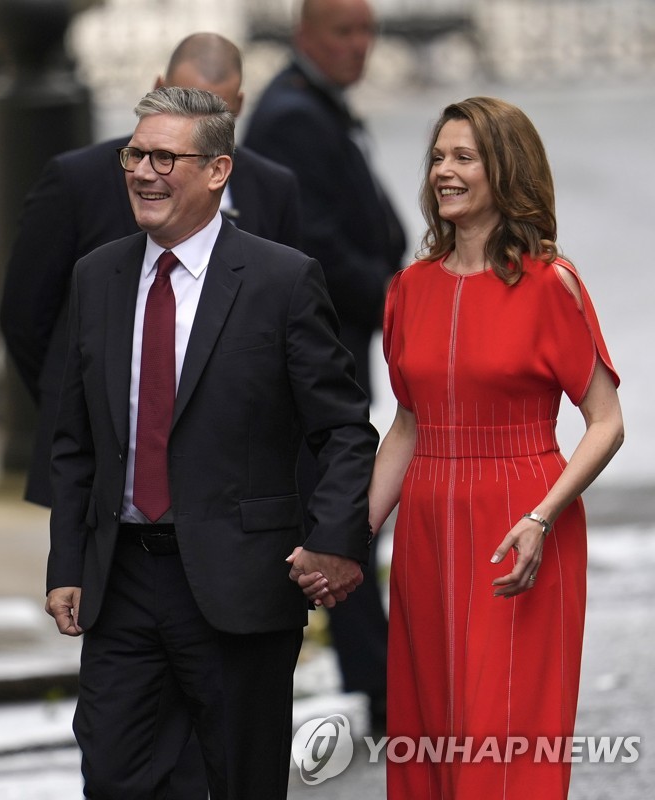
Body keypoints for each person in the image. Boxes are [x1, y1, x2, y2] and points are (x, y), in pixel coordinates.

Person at [45, 86, 377, 799]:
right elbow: (74, 439)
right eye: (134, 154)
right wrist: (67, 561)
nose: (141, 171)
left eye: (165, 157)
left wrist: (334, 539)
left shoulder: (281, 280)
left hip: (239, 585)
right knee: (113, 777)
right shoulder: (97, 276)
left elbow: (344, 428)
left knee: (239, 781)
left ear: (218, 171)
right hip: (123, 582)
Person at [360, 96, 623, 798]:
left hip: (521, 520)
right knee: (432, 728)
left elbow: (606, 421)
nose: (443, 171)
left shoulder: (551, 285)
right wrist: (347, 538)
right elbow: (408, 428)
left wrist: (543, 515)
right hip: (427, 525)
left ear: (505, 170)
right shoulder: (407, 290)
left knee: (501, 733)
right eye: (438, 157)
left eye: (463, 157)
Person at [1, 31, 302, 508]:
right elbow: (24, 316)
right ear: (159, 86)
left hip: (226, 484)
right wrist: (90, 412)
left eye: (213, 113)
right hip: (101, 472)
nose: (192, 124)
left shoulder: (275, 188)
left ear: (239, 106)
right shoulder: (78, 180)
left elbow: (288, 326)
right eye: (181, 104)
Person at [242, 0, 402, 725]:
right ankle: (378, 674)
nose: (359, 47)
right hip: (324, 341)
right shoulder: (292, 115)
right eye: (344, 32)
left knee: (344, 504)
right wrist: (398, 296)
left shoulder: (315, 104)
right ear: (307, 35)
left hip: (341, 336)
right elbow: (319, 247)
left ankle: (380, 669)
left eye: (367, 32)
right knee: (341, 506)